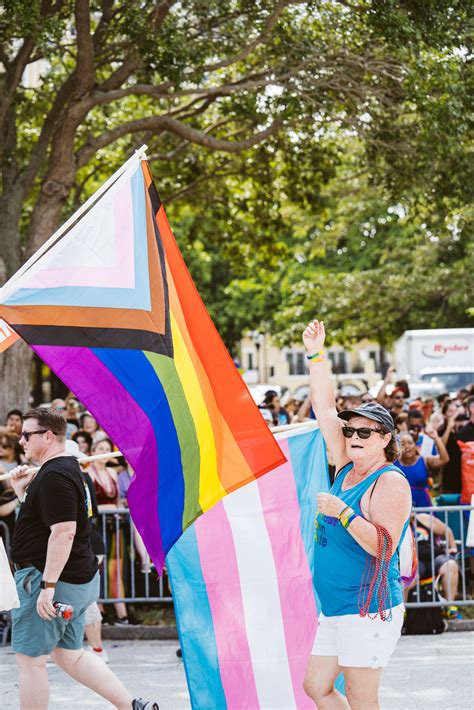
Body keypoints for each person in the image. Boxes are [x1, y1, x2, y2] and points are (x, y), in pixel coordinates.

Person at [8, 407, 158, 710]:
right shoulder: (61, 470)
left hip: (50, 581)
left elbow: (64, 533)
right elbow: (46, 523)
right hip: (70, 579)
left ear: (48, 436)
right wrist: (21, 491)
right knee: (70, 655)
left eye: (27, 434)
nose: (21, 440)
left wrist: (47, 587)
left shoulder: (55, 475)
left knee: (31, 661)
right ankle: (132, 706)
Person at [302, 320, 412, 710]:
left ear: (385, 439)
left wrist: (344, 513)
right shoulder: (346, 465)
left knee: (363, 701)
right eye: (351, 432)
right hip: (335, 608)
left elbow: (384, 547)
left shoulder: (390, 482)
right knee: (316, 686)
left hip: (367, 610)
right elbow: (324, 407)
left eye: (365, 433)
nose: (354, 438)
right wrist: (316, 353)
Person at [396, 427, 449, 507]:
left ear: (415, 446)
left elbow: (444, 459)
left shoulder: (424, 460)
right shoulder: (393, 463)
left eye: (410, 443)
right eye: (403, 444)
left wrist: (436, 438)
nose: (407, 446)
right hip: (400, 505)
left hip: (423, 505)